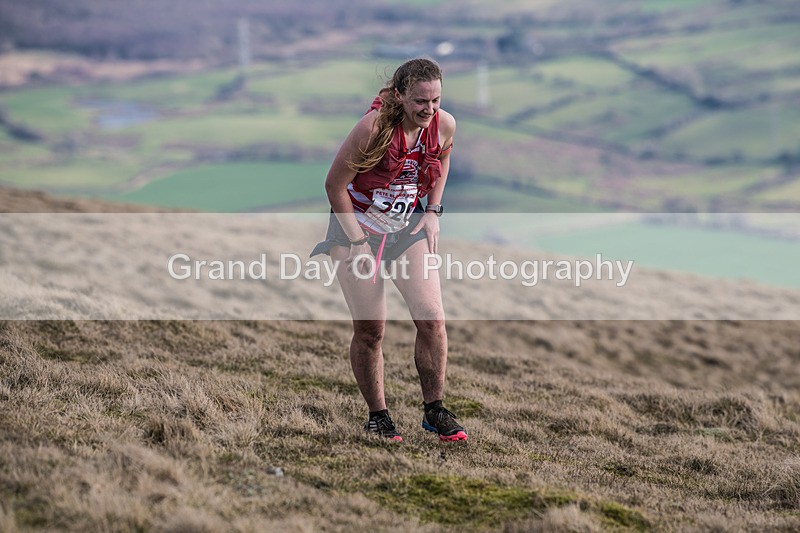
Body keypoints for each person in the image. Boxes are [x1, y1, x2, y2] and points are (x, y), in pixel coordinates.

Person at [310, 58, 467, 442]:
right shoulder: (373, 128)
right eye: (419, 101)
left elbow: (443, 157)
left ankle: (434, 411)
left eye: (435, 100)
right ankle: (378, 416)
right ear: (399, 96)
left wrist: (433, 211)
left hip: (406, 229)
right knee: (371, 331)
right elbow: (334, 186)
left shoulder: (443, 124)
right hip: (355, 230)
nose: (428, 110)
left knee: (432, 320)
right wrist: (359, 243)